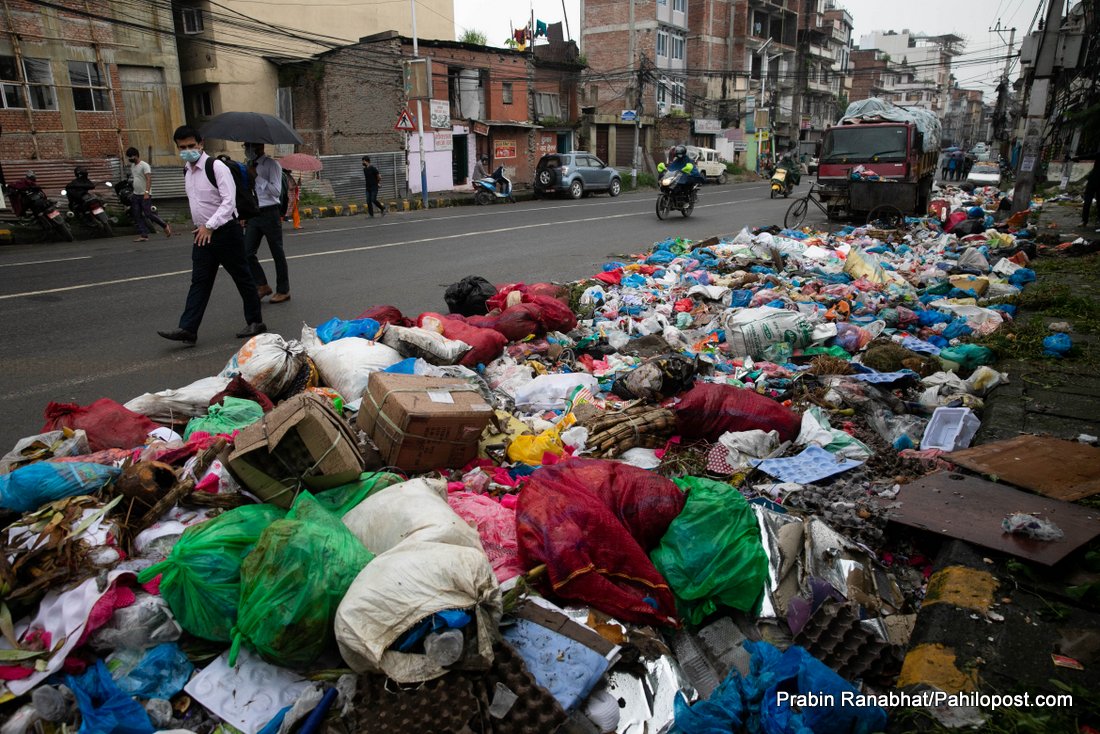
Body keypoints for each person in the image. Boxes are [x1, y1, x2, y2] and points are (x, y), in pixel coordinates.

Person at [157, 125, 264, 346]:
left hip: (225, 231)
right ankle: (188, 328)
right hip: (202, 234)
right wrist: (201, 226)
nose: (187, 150)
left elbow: (229, 202)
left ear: (201, 143)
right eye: (182, 147)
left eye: (191, 146)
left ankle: (255, 322)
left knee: (242, 277)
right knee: (200, 281)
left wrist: (210, 225)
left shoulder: (215, 167)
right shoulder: (187, 170)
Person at [243, 142, 290, 303]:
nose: (247, 150)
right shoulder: (249, 164)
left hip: (270, 212)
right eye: (245, 147)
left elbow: (276, 191)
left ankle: (283, 290)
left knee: (277, 252)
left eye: (249, 147)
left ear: (259, 147)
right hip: (254, 213)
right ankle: (262, 285)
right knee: (247, 252)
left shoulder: (272, 165)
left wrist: (257, 176)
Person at [126, 147, 172, 241]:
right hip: (136, 194)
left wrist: (147, 192)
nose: (129, 159)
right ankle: (144, 235)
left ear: (135, 155)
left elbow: (148, 179)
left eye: (131, 156)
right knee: (137, 214)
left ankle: (165, 225)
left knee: (148, 213)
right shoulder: (133, 166)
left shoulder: (144, 165)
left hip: (145, 194)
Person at [1082, 160, 1100, 231]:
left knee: (1087, 201)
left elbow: (1090, 156)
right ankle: (1086, 221)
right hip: (1093, 182)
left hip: (1092, 181)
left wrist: (1077, 158)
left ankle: (1084, 221)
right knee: (1090, 202)